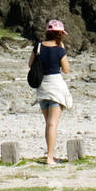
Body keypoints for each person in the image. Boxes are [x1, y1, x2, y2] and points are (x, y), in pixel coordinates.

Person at [28, 19, 72, 165]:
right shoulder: (59, 50)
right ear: (60, 34)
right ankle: (50, 157)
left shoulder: (38, 46)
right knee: (52, 124)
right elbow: (66, 70)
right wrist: (63, 50)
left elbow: (30, 64)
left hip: (42, 88)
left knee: (48, 123)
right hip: (55, 87)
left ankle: (50, 154)